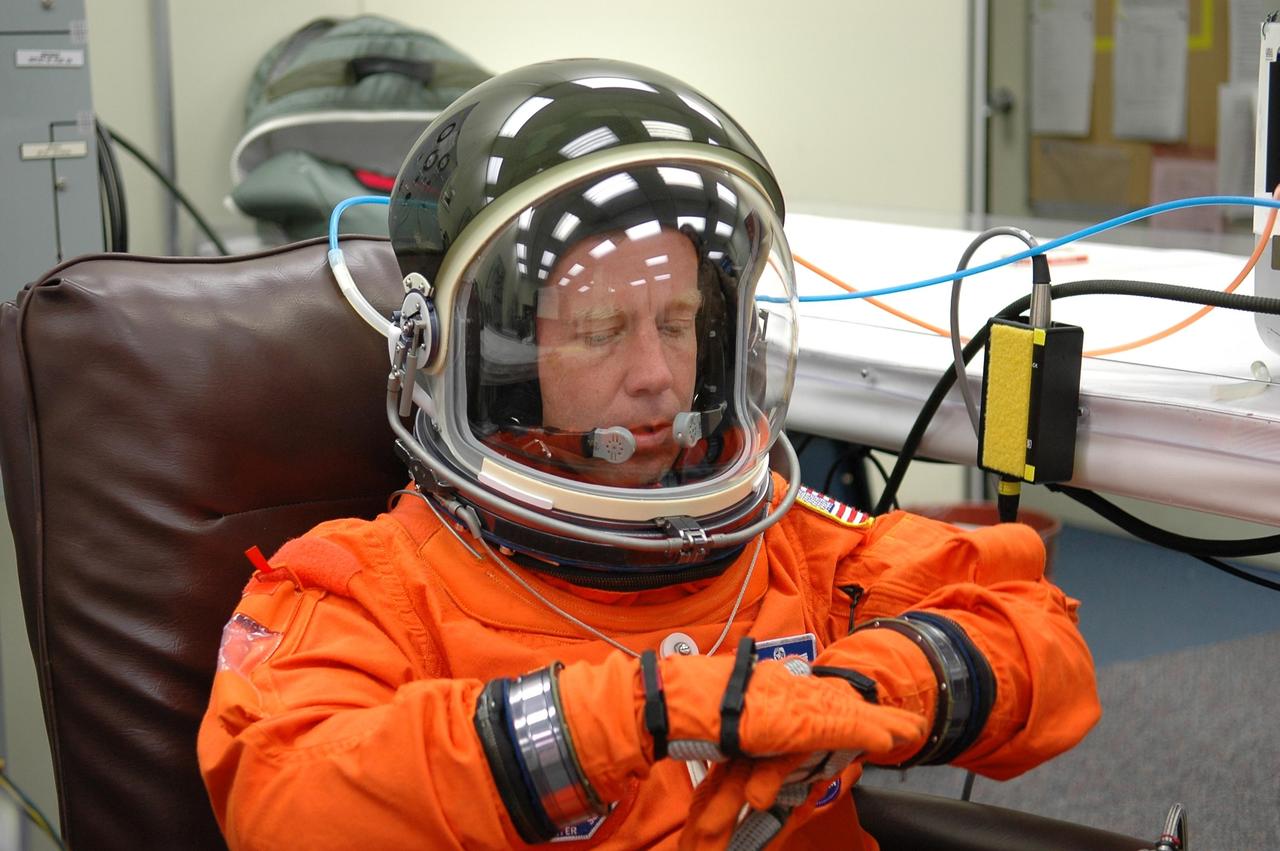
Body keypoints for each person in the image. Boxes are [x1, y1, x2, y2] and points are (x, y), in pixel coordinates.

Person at [198, 58, 1100, 850]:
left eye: (678, 325)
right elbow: (286, 796)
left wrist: (878, 682)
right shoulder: (368, 586)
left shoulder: (785, 546)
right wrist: (629, 717)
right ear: (484, 358)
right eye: (599, 331)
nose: (656, 376)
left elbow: (1043, 640)